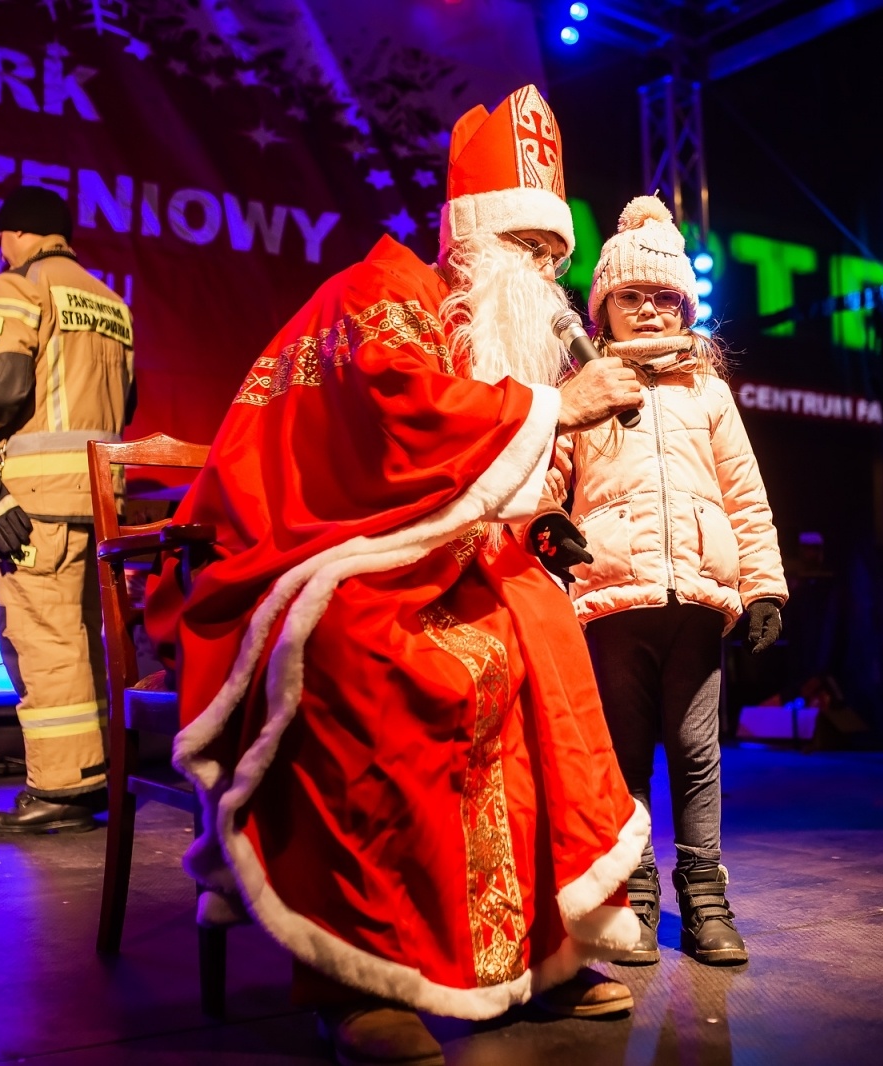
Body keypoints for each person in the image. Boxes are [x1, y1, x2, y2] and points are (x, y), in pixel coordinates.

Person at [144, 86, 649, 1066]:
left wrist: (547, 525)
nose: (547, 277)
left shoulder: (484, 326)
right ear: (474, 239)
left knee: (544, 630)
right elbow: (407, 425)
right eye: (529, 251)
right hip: (325, 548)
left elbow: (475, 472)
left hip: (430, 552)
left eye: (556, 254)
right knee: (369, 654)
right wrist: (555, 407)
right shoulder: (384, 292)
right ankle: (358, 976)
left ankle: (543, 950)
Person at [543, 195, 786, 967]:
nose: (648, 311)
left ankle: (706, 901)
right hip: (613, 600)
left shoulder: (706, 392)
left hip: (697, 606)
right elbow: (546, 479)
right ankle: (636, 897)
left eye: (664, 298)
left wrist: (764, 586)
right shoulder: (584, 387)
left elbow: (745, 495)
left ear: (684, 304)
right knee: (622, 756)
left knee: (697, 750)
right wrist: (544, 528)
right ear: (604, 307)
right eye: (630, 297)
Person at [0, 185, 135, 836]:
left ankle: (60, 792)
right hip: (101, 496)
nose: (1, 248)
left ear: (17, 235)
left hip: (40, 500)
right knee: (82, 641)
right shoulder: (111, 302)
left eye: (2, 239)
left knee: (44, 644)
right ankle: (95, 775)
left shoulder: (18, 284)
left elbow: (3, 383)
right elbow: (124, 404)